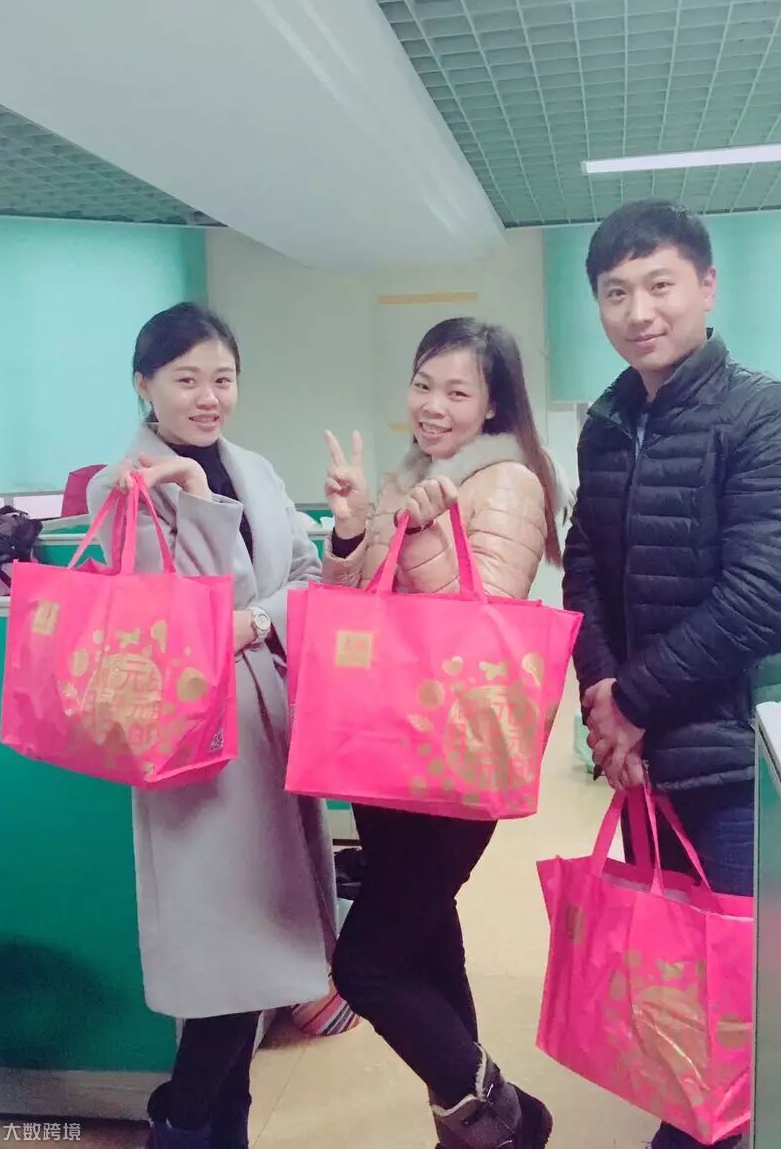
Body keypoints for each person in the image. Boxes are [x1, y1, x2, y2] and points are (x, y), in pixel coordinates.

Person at [562, 201, 781, 1149]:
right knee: (676, 981)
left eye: (660, 285)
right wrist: (603, 699)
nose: (640, 311)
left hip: (737, 758)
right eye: (616, 292)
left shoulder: (770, 413)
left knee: (745, 995)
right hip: (644, 760)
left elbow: (762, 599)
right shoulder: (607, 424)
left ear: (707, 287)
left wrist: (630, 702)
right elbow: (584, 571)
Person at [88, 303, 336, 1149]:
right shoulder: (120, 486)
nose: (208, 397)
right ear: (144, 384)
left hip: (274, 722)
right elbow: (178, 619)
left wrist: (259, 621)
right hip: (195, 744)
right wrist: (198, 508)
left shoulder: (254, 468)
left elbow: (306, 580)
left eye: (222, 379)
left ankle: (216, 1130)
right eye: (186, 379)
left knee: (256, 966)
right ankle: (180, 1122)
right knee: (227, 967)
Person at [320, 317, 562, 1149]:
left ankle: (512, 1118)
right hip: (389, 753)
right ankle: (472, 1134)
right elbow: (353, 613)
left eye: (458, 391)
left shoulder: (507, 482)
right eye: (424, 384)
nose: (433, 405)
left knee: (365, 966)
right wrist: (352, 528)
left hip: (454, 765)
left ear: (494, 404)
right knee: (427, 948)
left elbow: (479, 632)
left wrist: (420, 532)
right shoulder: (412, 477)